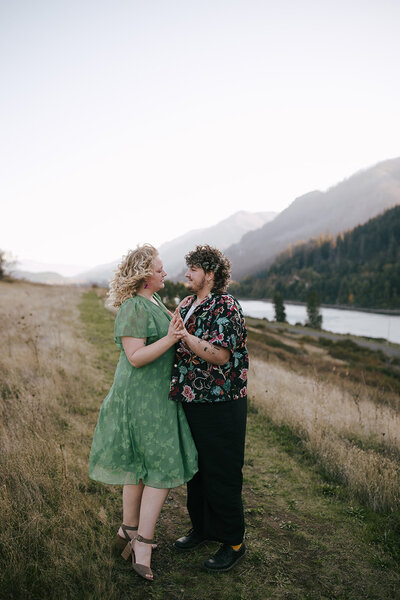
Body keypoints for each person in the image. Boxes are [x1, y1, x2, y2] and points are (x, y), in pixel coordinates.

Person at [89, 244, 198, 581]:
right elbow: (135, 357)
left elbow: (166, 336)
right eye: (160, 268)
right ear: (146, 276)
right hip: (140, 399)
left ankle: (128, 531)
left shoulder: (153, 301)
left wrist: (176, 323)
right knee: (159, 469)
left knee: (140, 467)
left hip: (156, 397)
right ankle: (143, 543)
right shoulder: (134, 307)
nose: (165, 272)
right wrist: (170, 338)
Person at [170, 244, 248, 572]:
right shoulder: (187, 302)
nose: (187, 273)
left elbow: (220, 355)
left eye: (193, 269)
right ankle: (202, 529)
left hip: (221, 402)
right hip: (191, 400)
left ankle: (233, 542)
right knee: (197, 470)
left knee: (222, 472)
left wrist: (184, 336)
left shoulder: (226, 305)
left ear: (210, 274)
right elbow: (173, 336)